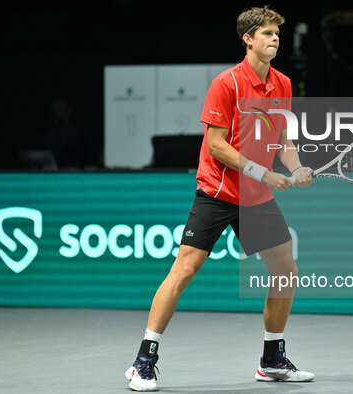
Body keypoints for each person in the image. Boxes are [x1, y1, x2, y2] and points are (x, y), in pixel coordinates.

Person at [124, 6, 315, 391]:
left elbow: (282, 141)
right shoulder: (226, 84)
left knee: (286, 271)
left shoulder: (282, 84)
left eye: (277, 33)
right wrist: (264, 173)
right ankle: (143, 361)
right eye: (266, 33)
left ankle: (272, 358)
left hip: (256, 197)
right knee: (184, 271)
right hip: (218, 192)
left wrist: (296, 168)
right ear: (248, 39)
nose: (275, 38)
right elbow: (215, 145)